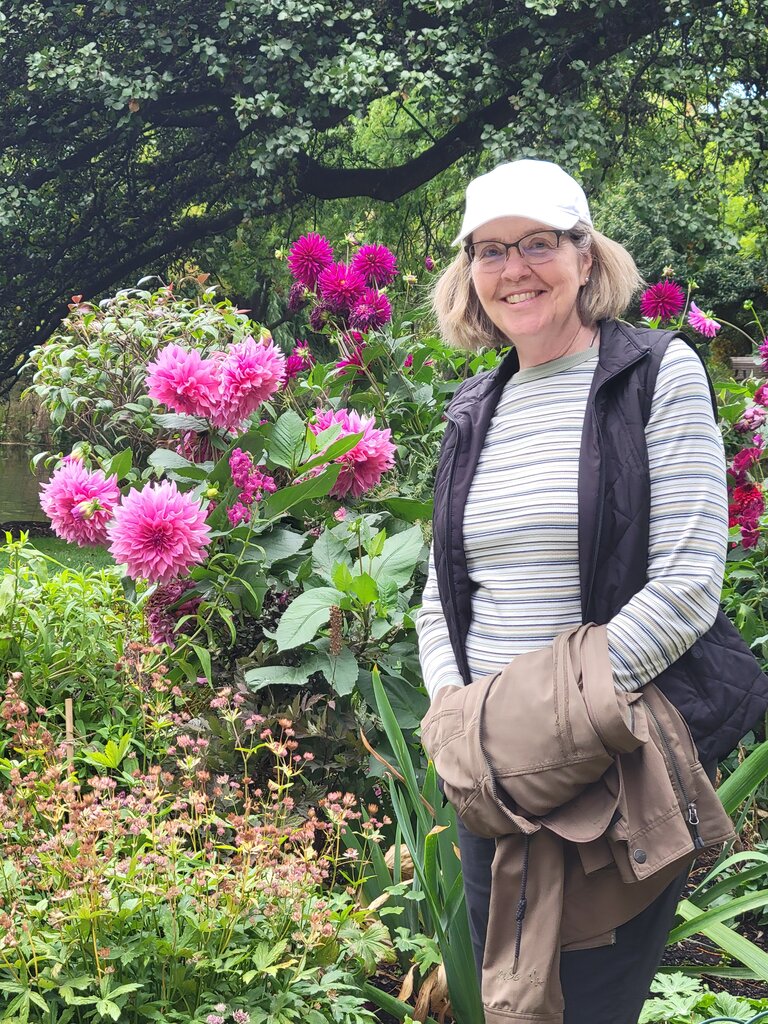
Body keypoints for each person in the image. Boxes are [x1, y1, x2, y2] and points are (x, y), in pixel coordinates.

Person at [416, 159, 768, 1024]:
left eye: (538, 243)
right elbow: (440, 591)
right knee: (505, 1002)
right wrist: (457, 724)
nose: (515, 269)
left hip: (611, 767)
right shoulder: (474, 405)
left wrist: (543, 729)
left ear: (585, 254)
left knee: (589, 1007)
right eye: (490, 250)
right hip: (487, 775)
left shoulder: (655, 374)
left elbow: (686, 585)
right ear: (469, 272)